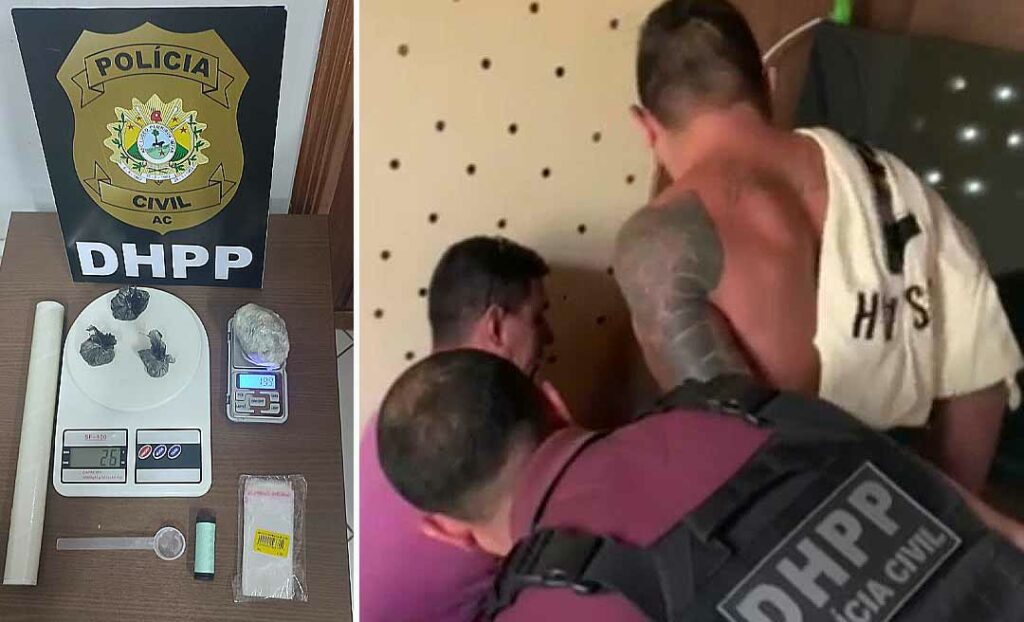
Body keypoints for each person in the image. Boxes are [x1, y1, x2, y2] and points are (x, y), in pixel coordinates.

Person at [614, 0, 1024, 492]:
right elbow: (982, 368)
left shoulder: (660, 242)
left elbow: (731, 455)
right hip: (920, 496)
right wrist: (948, 511)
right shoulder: (894, 181)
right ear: (769, 83)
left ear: (645, 126)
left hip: (803, 519)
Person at [378, 349, 1024, 621]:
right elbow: (996, 531)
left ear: (448, 532)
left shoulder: (551, 609)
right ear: (554, 402)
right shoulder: (758, 411)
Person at [360, 236, 556, 621]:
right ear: (496, 327)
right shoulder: (507, 443)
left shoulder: (392, 413)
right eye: (537, 317)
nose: (549, 335)